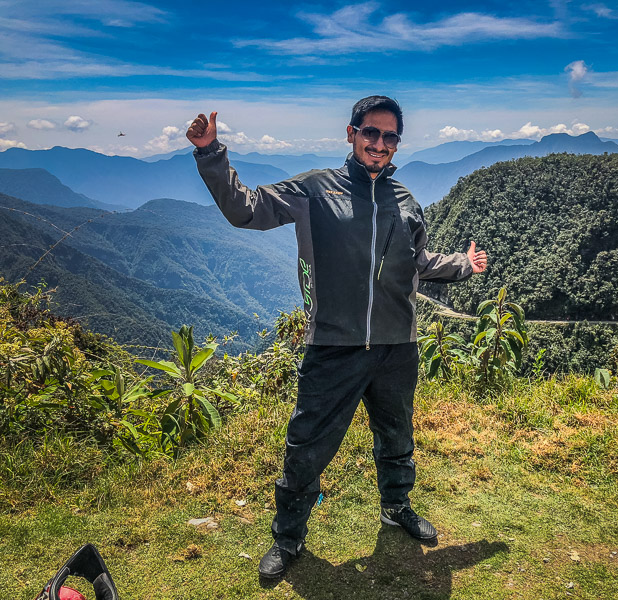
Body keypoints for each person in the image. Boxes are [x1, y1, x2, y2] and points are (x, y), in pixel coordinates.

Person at [186, 96, 488, 580]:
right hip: (332, 345)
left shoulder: (407, 202)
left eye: (390, 136)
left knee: (397, 437)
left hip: (396, 347)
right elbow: (246, 210)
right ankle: (289, 538)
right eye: (371, 132)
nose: (380, 144)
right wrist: (210, 152)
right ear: (351, 134)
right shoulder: (314, 190)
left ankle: (396, 508)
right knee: (306, 446)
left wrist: (461, 266)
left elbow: (419, 263)